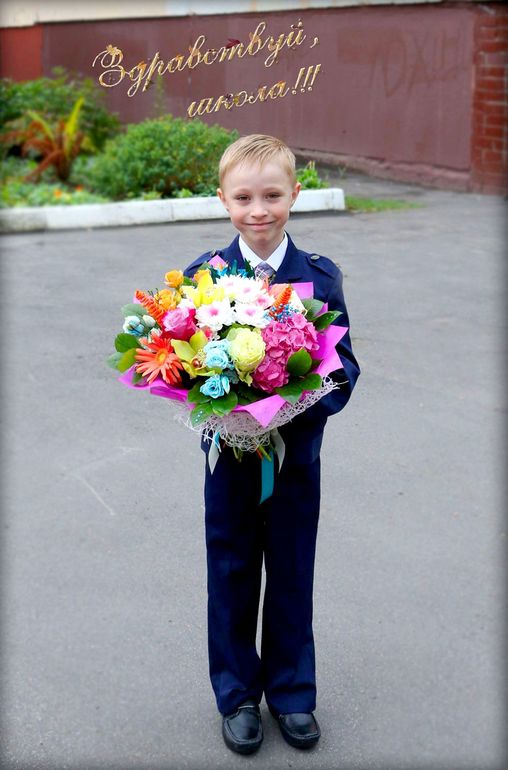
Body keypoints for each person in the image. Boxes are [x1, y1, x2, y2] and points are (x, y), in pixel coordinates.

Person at [183, 134, 360, 755]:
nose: (258, 211)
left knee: (290, 571)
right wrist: (224, 407)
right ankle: (236, 696)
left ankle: (291, 693)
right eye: (243, 198)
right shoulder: (205, 277)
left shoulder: (318, 278)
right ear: (223, 200)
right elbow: (185, 364)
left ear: (294, 195)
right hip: (229, 462)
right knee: (231, 571)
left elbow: (343, 369)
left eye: (272, 196)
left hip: (295, 461)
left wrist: (294, 405)